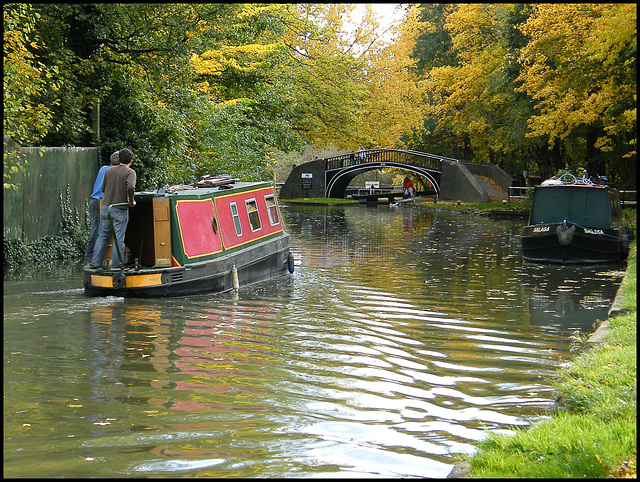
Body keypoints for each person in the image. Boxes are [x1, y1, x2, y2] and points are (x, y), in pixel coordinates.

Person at [89, 148, 137, 269]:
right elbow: (131, 187)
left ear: (119, 159)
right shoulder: (130, 172)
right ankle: (116, 267)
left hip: (106, 207)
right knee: (118, 239)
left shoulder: (108, 171)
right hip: (120, 208)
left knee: (102, 236)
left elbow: (104, 188)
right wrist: (131, 200)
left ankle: (95, 263)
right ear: (131, 160)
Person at [84, 151, 120, 264]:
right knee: (103, 231)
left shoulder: (103, 168)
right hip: (103, 202)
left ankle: (90, 256)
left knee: (95, 229)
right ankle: (97, 257)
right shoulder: (114, 171)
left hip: (94, 200)